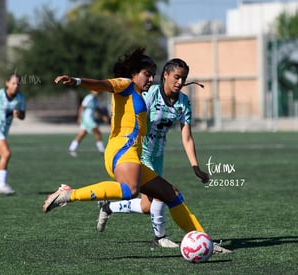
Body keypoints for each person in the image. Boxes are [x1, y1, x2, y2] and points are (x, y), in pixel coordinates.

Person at [43, 48, 231, 255]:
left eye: (152, 74)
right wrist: (78, 81)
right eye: (146, 74)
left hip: (131, 153)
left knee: (172, 194)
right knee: (130, 190)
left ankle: (206, 243)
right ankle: (69, 194)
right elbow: (103, 84)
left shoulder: (141, 93)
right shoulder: (125, 85)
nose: (151, 79)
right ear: (133, 73)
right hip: (122, 150)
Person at [95, 58, 210, 248]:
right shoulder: (150, 94)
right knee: (164, 194)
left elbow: (187, 137)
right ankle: (160, 238)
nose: (180, 82)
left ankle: (108, 206)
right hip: (140, 152)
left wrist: (195, 166)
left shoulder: (184, 102)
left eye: (184, 78)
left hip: (158, 155)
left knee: (147, 207)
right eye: (177, 77)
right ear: (165, 75)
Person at [68, 90, 107, 157]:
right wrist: (79, 117)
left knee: (82, 134)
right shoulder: (89, 98)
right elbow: (82, 107)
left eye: (98, 91)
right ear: (92, 91)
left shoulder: (95, 99)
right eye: (95, 90)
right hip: (87, 119)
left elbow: (97, 108)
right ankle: (102, 150)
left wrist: (103, 115)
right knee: (97, 132)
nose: (97, 92)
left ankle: (72, 148)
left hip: (89, 119)